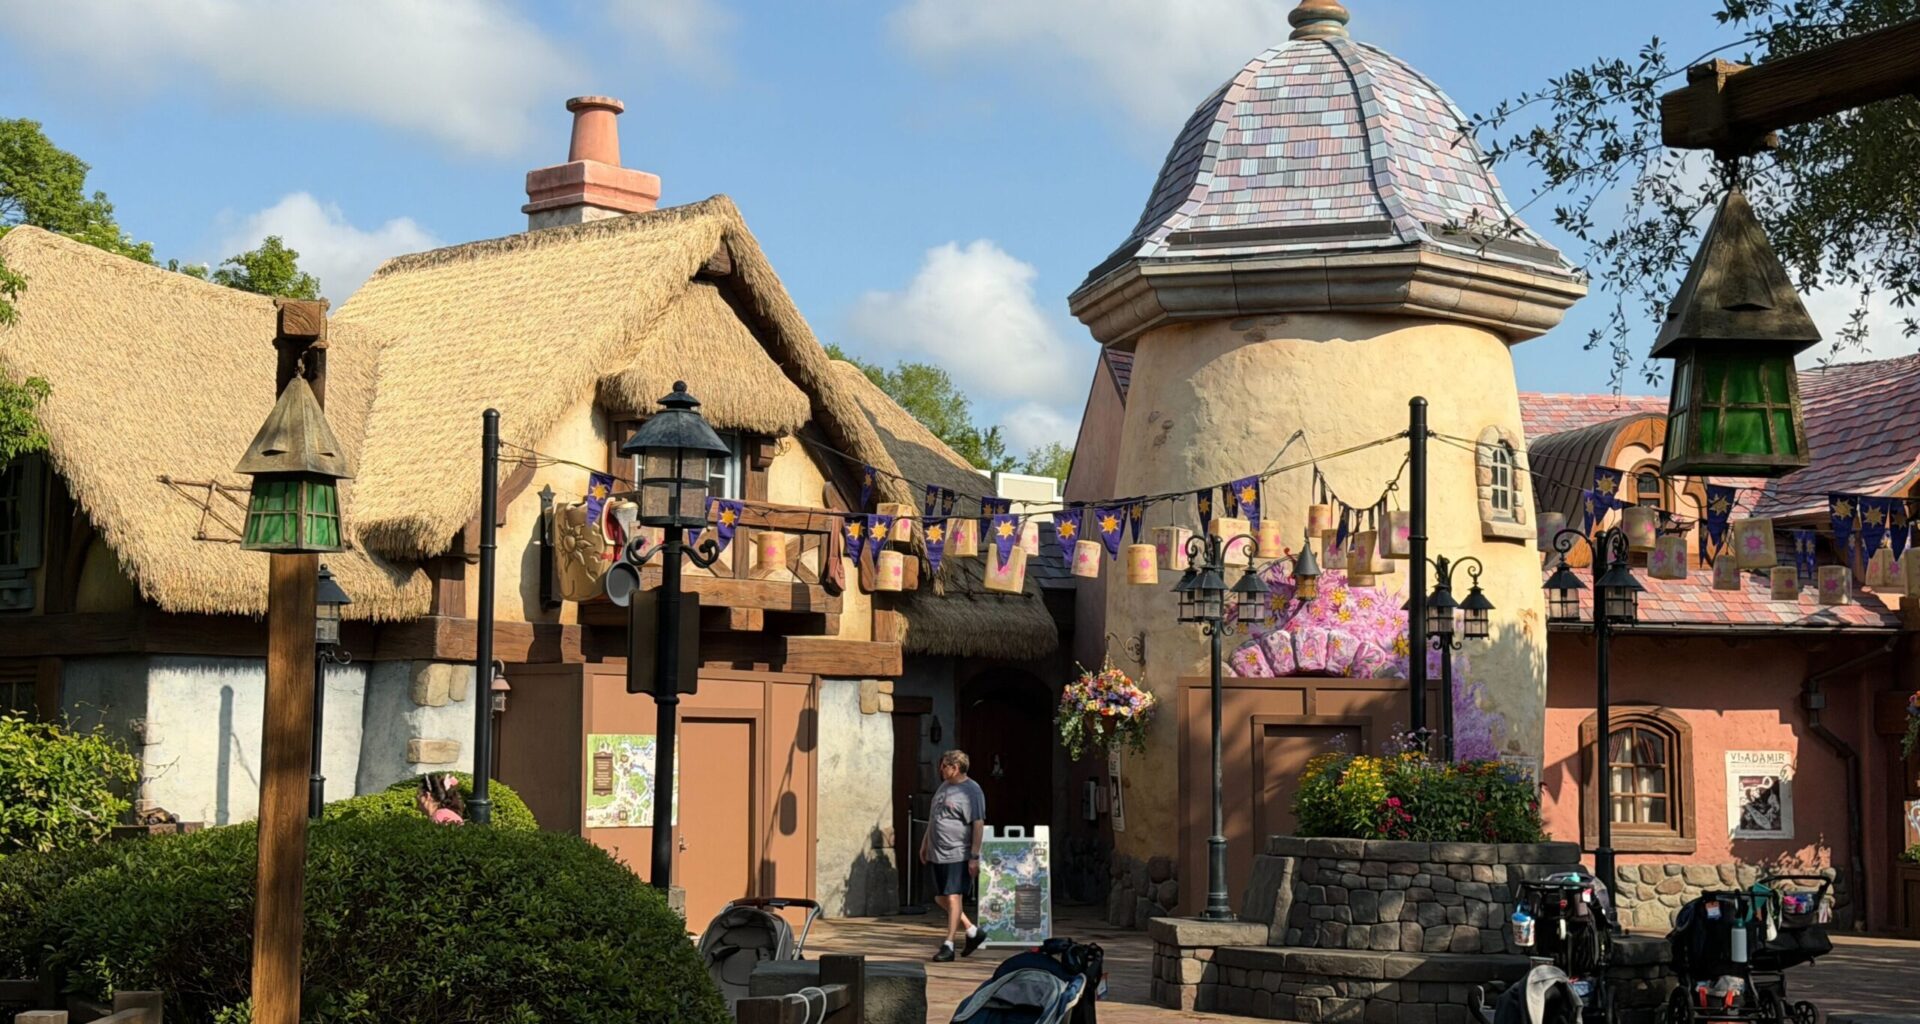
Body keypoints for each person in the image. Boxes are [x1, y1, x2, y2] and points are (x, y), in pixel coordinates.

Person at [920, 749, 987, 962]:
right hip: (937, 852)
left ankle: (948, 944)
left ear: (955, 768)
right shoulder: (943, 787)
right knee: (940, 897)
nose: (940, 769)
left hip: (957, 851)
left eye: (944, 765)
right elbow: (934, 817)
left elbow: (978, 823)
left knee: (953, 896)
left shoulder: (971, 791)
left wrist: (974, 856)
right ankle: (972, 931)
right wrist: (925, 843)